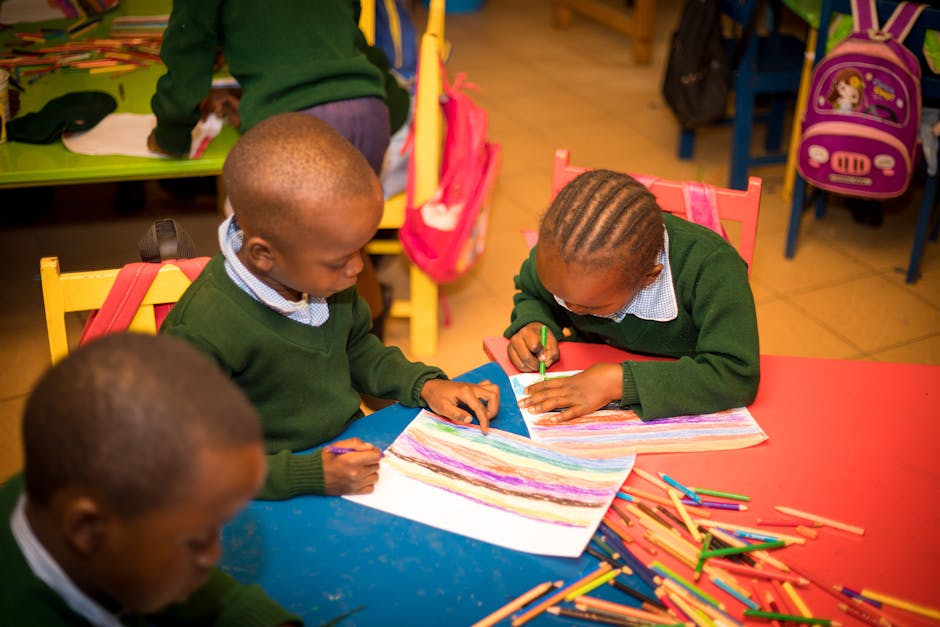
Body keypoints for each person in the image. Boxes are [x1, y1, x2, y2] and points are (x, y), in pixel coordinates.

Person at [161, 113, 499, 501]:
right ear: (263, 255)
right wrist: (309, 475)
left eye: (361, 250)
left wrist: (424, 384)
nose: (357, 268)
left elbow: (357, 349)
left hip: (343, 457)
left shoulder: (319, 277)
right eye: (340, 260)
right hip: (265, 487)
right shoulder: (202, 330)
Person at [0, 333, 300, 626]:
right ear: (87, 529)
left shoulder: (62, 481)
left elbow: (207, 596)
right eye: (196, 542)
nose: (214, 556)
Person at [147, 0, 410, 328]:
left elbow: (188, 47)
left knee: (277, 252)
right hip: (368, 111)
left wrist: (172, 132)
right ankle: (367, 327)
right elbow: (346, 40)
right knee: (345, 242)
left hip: (296, 122)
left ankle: (289, 340)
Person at [504, 169, 760, 422]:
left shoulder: (712, 268)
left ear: (649, 277)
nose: (569, 307)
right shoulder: (560, 253)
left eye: (589, 306)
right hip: (586, 366)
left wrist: (619, 382)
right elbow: (533, 294)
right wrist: (533, 323)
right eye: (558, 295)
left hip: (682, 401)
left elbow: (735, 375)